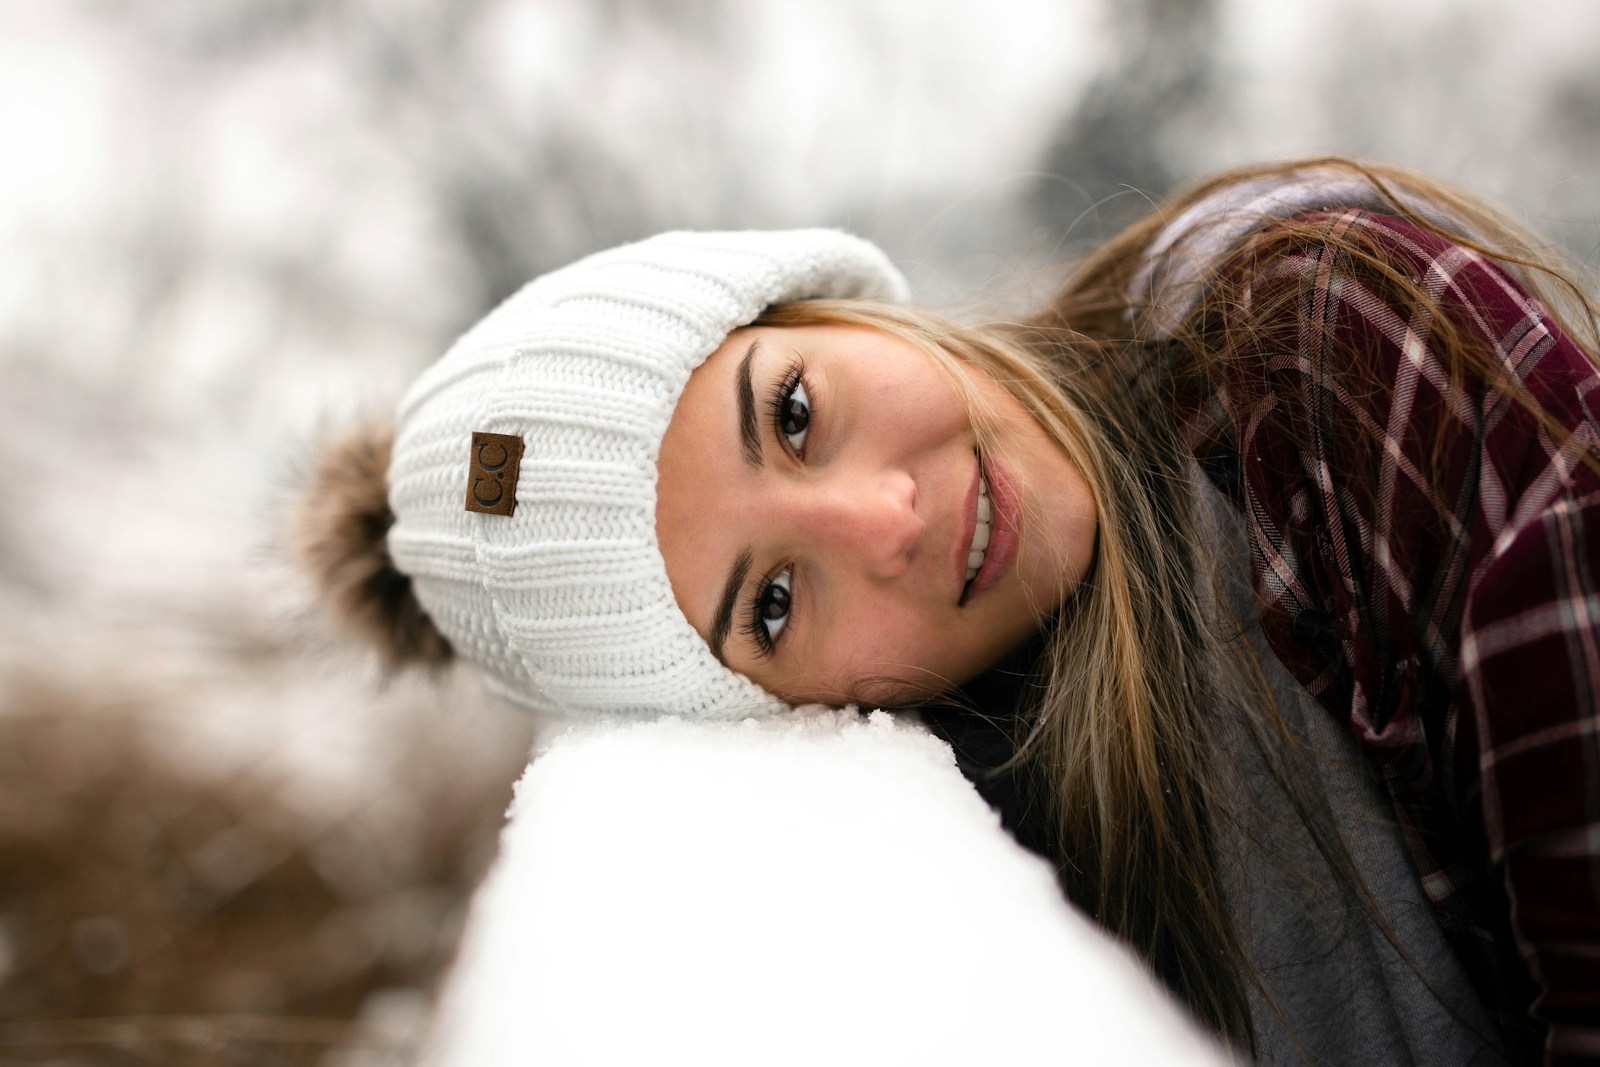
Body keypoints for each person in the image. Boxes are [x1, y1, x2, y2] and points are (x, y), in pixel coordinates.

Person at [295, 159, 1600, 1064]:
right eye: (773, 603)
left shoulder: (1320, 345)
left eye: (794, 414)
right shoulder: (1014, 802)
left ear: (827, 305)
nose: (886, 522)